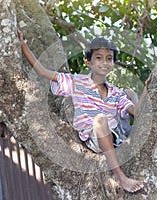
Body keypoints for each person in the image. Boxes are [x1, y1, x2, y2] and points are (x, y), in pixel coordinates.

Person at [17, 30, 149, 193]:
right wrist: (23, 45)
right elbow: (42, 72)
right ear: (88, 62)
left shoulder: (115, 92)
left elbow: (137, 112)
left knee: (129, 92)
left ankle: (132, 144)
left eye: (109, 59)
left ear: (113, 63)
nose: (104, 63)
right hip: (97, 137)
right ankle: (121, 178)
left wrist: (145, 91)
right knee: (101, 119)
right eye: (98, 58)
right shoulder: (77, 82)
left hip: (119, 134)